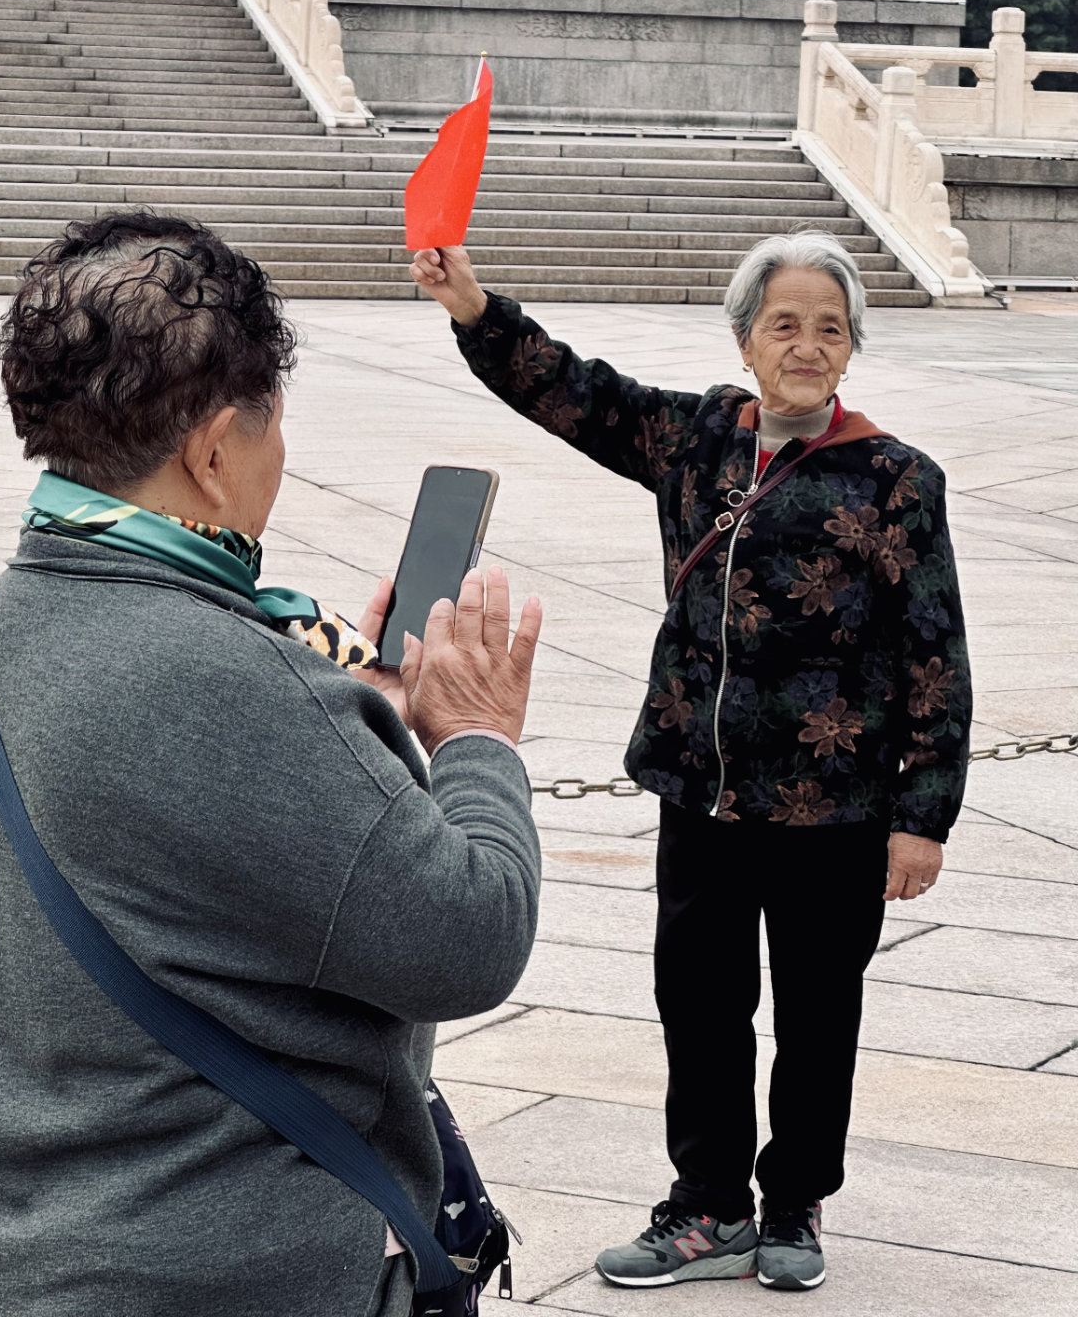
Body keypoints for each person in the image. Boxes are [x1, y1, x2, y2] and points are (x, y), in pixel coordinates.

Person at [0, 211, 543, 1317]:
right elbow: (467, 936)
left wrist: (354, 721)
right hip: (222, 1270)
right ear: (211, 449)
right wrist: (475, 735)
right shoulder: (238, 682)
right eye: (269, 431)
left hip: (9, 1260)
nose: (278, 462)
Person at [409, 230, 971, 1293]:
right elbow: (573, 392)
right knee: (700, 1002)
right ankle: (710, 1203)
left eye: (829, 327)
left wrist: (923, 812)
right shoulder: (698, 437)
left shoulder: (897, 477)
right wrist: (473, 303)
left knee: (817, 1011)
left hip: (834, 806)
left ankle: (795, 1201)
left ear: (852, 346)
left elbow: (934, 649)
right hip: (699, 790)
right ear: (745, 338)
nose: (807, 345)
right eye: (785, 324)